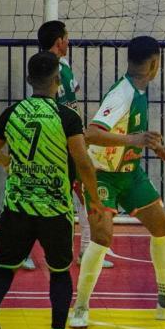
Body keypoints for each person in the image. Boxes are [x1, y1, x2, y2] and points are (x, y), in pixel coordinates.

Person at [69, 36, 165, 328]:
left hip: (130, 173)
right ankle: (79, 307)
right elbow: (90, 133)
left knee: (163, 227)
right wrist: (134, 139)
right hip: (101, 173)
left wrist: (154, 146)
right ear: (155, 63)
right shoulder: (123, 94)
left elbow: (131, 132)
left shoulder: (138, 91)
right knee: (102, 238)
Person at [0, 52, 105, 329]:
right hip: (54, 210)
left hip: (17, 207)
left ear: (28, 80)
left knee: (4, 267)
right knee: (60, 272)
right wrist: (93, 201)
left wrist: (11, 162)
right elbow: (83, 162)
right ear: (57, 81)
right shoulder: (66, 116)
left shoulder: (12, 113)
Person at [32, 21, 114, 270]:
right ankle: (20, 247)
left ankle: (87, 249)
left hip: (71, 138)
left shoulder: (64, 66)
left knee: (82, 193)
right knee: (42, 193)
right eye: (67, 38)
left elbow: (72, 100)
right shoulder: (45, 68)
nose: (69, 42)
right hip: (54, 141)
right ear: (59, 41)